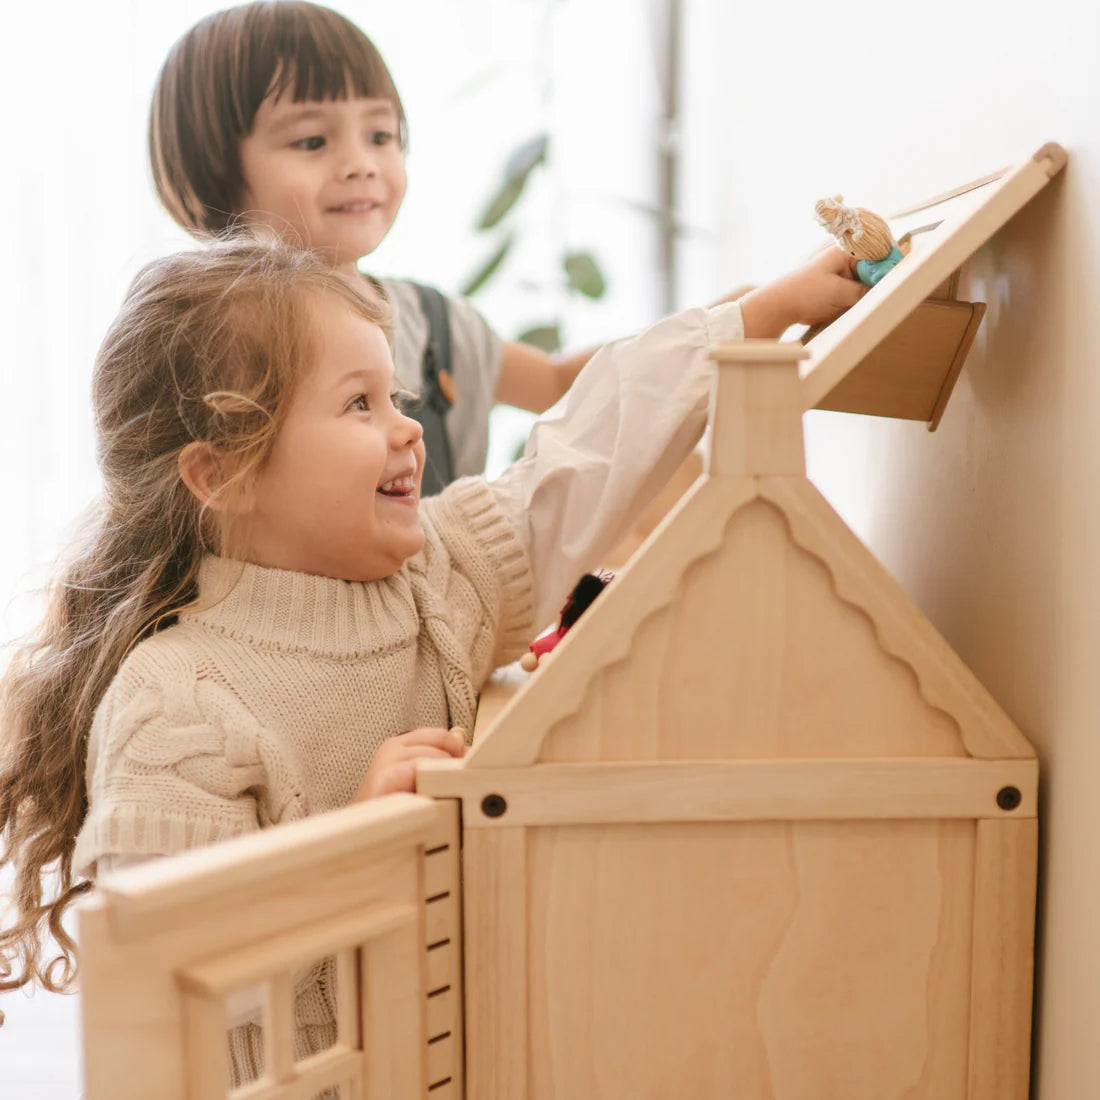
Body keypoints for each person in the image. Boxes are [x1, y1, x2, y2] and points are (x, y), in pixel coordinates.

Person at [0, 235, 860, 1077]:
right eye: (358, 405)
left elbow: (585, 453)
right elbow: (174, 1002)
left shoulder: (439, 576)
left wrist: (757, 317)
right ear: (221, 475)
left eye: (396, 395)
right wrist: (357, 848)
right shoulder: (175, 702)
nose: (409, 430)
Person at [148, 0, 813, 492]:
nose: (361, 163)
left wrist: (720, 325)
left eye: (380, 135)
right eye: (313, 141)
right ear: (212, 171)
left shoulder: (433, 323)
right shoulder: (205, 342)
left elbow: (554, 381)